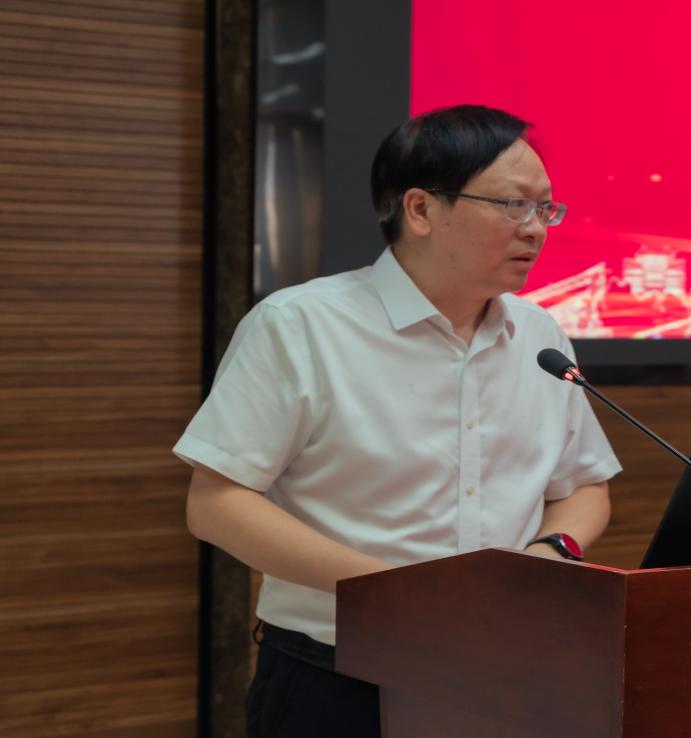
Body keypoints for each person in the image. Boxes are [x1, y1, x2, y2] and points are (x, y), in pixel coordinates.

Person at [175, 104, 621, 737]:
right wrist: (401, 593)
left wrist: (549, 552)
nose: (536, 230)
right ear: (421, 210)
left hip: (506, 668)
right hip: (338, 678)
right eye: (514, 205)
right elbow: (216, 503)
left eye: (545, 209)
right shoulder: (300, 325)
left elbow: (583, 486)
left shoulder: (539, 335)